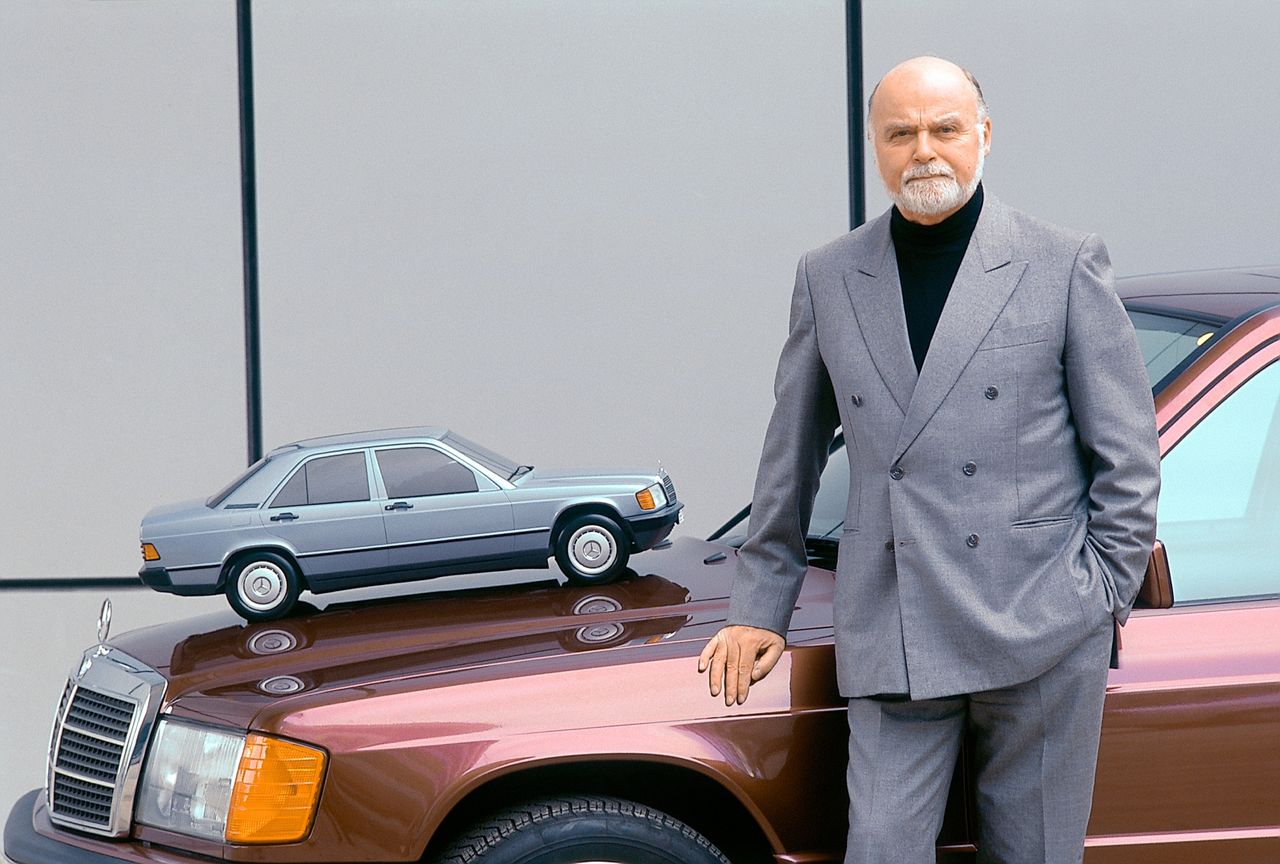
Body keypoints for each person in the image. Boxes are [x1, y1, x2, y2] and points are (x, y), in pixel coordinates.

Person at [698, 56, 1160, 864]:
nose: (925, 152)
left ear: (983, 135)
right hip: (895, 620)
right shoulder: (830, 275)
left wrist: (1099, 596)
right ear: (875, 146)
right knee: (880, 847)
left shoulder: (1063, 261)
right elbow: (791, 455)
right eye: (900, 133)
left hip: (1042, 621)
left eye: (945, 129)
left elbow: (1128, 456)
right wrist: (755, 608)